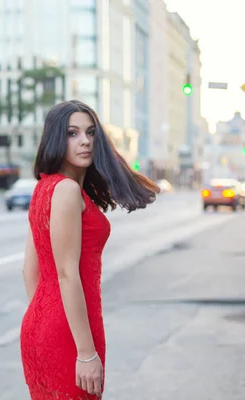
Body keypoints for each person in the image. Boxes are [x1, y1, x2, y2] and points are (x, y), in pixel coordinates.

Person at [20, 100, 160, 399]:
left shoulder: (44, 188)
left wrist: (45, 321)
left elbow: (30, 270)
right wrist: (84, 351)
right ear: (56, 139)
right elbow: (67, 274)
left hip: (41, 326)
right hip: (70, 333)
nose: (84, 140)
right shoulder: (67, 191)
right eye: (72, 133)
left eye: (90, 132)